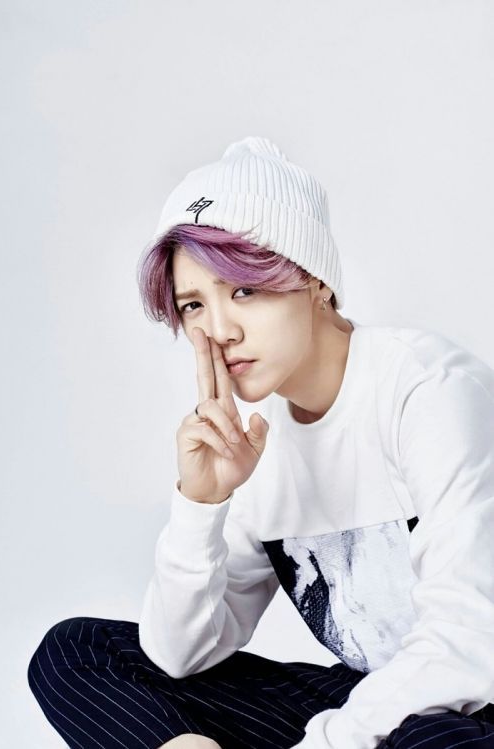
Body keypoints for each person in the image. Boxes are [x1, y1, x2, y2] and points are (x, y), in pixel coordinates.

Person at [27, 136, 494, 749]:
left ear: (315, 280)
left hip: (474, 696)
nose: (218, 330)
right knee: (78, 650)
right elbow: (180, 657)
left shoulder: (429, 390)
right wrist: (201, 504)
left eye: (243, 290)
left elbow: (469, 643)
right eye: (193, 304)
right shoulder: (257, 439)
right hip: (374, 696)